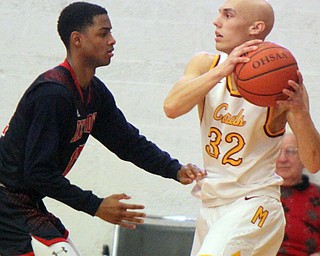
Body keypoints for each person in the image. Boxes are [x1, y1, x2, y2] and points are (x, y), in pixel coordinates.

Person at [0, 2, 207, 255]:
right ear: (77, 40)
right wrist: (96, 205)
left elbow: (128, 143)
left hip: (22, 202)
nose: (112, 40)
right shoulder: (53, 94)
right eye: (103, 33)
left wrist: (174, 169)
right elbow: (39, 173)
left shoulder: (94, 93)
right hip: (7, 200)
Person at [163, 0, 320, 255]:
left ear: (256, 27)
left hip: (255, 204)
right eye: (219, 14)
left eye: (228, 15)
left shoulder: (283, 82)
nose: (217, 21)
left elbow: (313, 163)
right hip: (212, 202)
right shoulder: (205, 64)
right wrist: (225, 69)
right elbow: (171, 107)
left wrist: (300, 111)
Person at [276, 133, 320, 256]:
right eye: (277, 152)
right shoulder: (255, 192)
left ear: (304, 157)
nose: (282, 159)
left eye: (291, 152)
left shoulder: (317, 196)